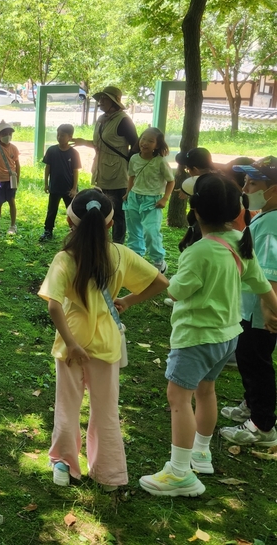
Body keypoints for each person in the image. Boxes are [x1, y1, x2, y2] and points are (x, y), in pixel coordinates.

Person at [139, 173, 277, 498]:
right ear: (234, 211)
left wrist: (154, 278)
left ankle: (179, 473)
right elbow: (261, 285)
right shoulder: (240, 241)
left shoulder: (198, 252)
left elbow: (176, 291)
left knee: (178, 399)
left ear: (196, 211)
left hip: (195, 339)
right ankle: (201, 453)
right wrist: (275, 309)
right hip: (227, 337)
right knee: (206, 391)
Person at [38, 189, 168, 489]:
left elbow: (54, 305)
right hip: (107, 342)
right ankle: (109, 473)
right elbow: (161, 281)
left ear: (70, 222)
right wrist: (128, 300)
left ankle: (63, 464)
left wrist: (71, 343)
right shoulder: (121, 254)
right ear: (110, 224)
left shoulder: (65, 258)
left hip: (72, 341)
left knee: (68, 404)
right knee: (106, 408)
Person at [220, 157, 277, 446]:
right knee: (250, 360)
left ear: (274, 190)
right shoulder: (265, 216)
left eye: (253, 183)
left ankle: (262, 425)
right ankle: (251, 404)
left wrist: (269, 309)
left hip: (258, 312)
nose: (245, 187)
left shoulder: (269, 225)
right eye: (245, 181)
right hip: (254, 307)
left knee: (255, 363)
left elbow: (270, 272)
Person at [74, 86, 138, 244]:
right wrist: (84, 142)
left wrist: (127, 162)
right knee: (101, 207)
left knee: (117, 212)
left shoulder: (124, 120)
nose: (100, 101)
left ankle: (118, 245)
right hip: (100, 170)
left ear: (114, 102)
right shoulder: (101, 119)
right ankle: (101, 242)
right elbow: (99, 143)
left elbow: (136, 145)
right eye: (100, 98)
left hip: (118, 173)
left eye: (104, 98)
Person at [123, 128, 174, 274]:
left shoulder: (160, 161)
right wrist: (128, 193)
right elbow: (132, 176)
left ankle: (159, 261)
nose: (144, 143)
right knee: (133, 231)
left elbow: (171, 181)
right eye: (143, 139)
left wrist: (165, 198)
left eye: (150, 141)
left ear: (157, 145)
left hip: (152, 201)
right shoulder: (134, 158)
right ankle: (136, 258)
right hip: (133, 198)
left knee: (151, 232)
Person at [41, 124, 81, 241]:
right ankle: (48, 231)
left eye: (62, 135)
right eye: (58, 135)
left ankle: (76, 231)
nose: (59, 137)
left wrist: (74, 188)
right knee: (52, 210)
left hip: (69, 189)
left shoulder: (73, 153)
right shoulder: (52, 150)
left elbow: (75, 171)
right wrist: (46, 184)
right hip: (55, 187)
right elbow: (47, 168)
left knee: (72, 211)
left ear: (70, 137)